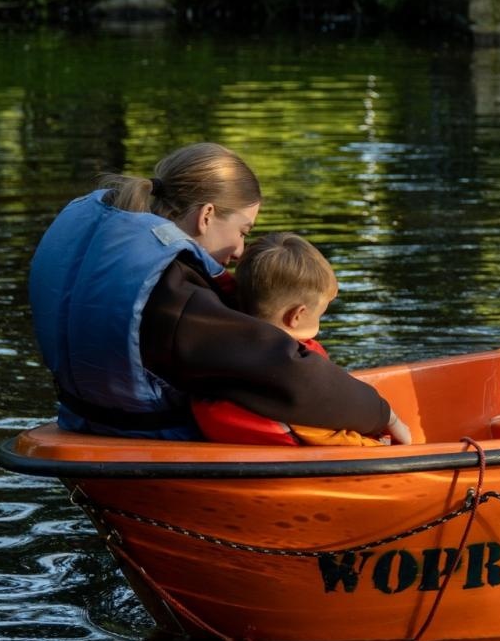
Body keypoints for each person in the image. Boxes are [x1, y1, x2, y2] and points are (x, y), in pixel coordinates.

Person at [28, 142, 410, 443]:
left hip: (83, 421)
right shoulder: (174, 294)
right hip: (148, 436)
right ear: (206, 215)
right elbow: (279, 367)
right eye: (243, 231)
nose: (242, 251)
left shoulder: (102, 236)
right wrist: (382, 413)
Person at [191, 233, 398, 446]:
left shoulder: (215, 346)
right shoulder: (295, 377)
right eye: (320, 314)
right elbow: (324, 436)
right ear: (297, 316)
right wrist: (380, 446)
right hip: (296, 451)